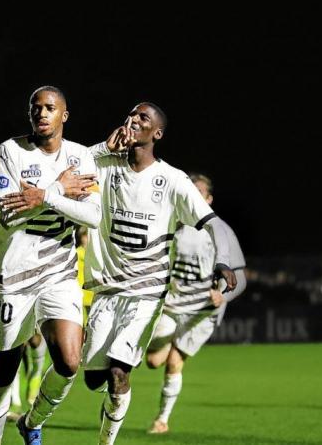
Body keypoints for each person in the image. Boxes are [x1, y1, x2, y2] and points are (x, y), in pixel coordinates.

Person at [80, 102, 237, 445]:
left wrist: (223, 263)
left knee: (127, 369)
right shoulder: (105, 164)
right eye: (132, 115)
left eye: (143, 118)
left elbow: (217, 226)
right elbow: (66, 163)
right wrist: (102, 148)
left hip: (159, 298)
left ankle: (114, 438)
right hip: (111, 292)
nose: (134, 120)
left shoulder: (173, 180)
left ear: (158, 133)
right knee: (99, 377)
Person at [0, 85, 101, 445]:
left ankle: (32, 422)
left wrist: (42, 195)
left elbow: (93, 216)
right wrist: (60, 190)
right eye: (36, 108)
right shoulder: (10, 151)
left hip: (59, 272)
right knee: (5, 370)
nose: (42, 113)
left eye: (50, 108)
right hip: (12, 274)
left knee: (68, 361)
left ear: (64, 115)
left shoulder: (80, 158)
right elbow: (6, 213)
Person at [145, 173, 247, 434]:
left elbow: (241, 277)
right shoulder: (172, 222)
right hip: (171, 305)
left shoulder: (221, 231)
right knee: (154, 361)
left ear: (209, 199)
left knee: (174, 361)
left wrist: (223, 295)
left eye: (199, 192)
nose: (193, 196)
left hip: (202, 311)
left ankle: (162, 420)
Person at [74, 225, 94, 324]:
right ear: (81, 237)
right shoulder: (76, 253)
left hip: (93, 296)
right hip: (80, 296)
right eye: (86, 236)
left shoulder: (95, 254)